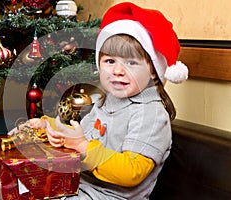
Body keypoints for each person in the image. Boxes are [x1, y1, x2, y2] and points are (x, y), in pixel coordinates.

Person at [10, 2, 188, 199]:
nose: (118, 71)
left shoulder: (150, 113)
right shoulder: (105, 102)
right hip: (79, 187)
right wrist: (47, 125)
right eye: (110, 61)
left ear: (154, 72)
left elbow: (132, 172)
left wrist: (83, 147)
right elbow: (80, 135)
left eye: (131, 62)